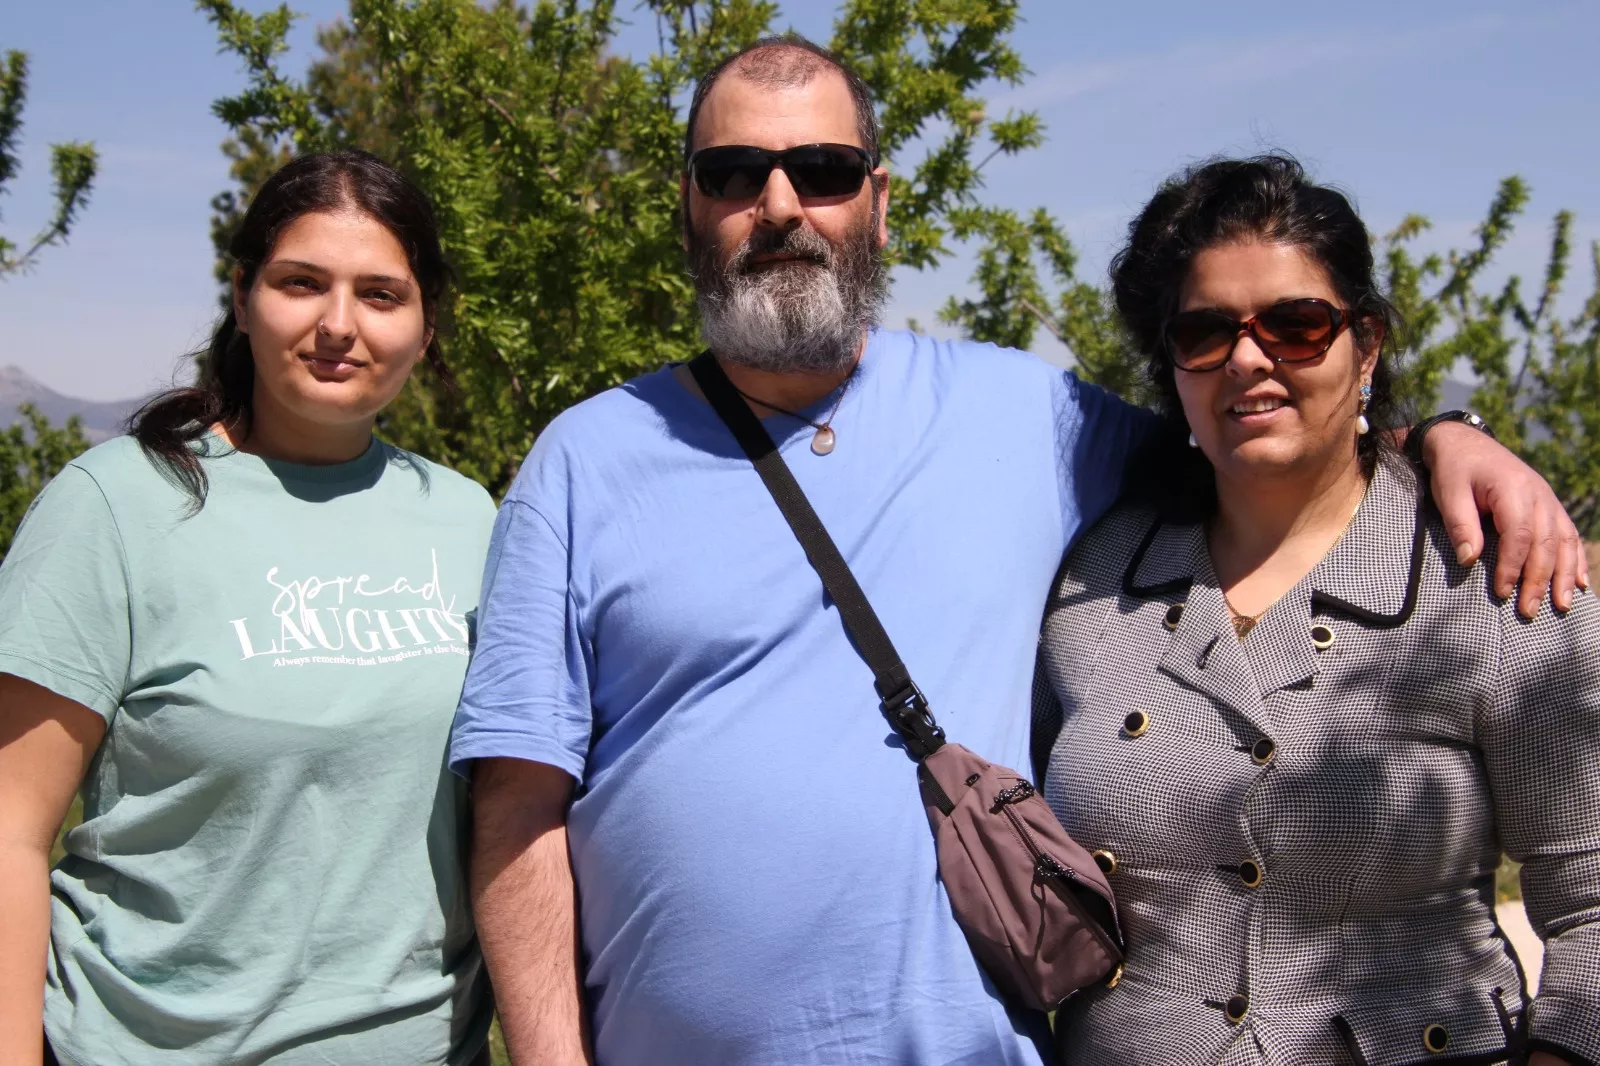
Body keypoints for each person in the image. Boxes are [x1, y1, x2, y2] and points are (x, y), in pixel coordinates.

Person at [448, 36, 1585, 1066]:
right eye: (734, 173)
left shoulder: (1030, 419)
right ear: (689, 205)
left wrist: (1440, 440)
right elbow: (515, 804)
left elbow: (1266, 437)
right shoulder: (584, 461)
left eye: (825, 172)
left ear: (879, 204)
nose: (780, 204)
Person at [1036, 155, 1598, 1066]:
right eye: (1206, 333)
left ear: (1366, 344)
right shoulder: (1088, 585)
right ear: (1171, 365)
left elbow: (1595, 905)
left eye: (1297, 325)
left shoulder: (1487, 573)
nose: (1249, 359)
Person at [0, 151, 495, 1065]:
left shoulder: (470, 520)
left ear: (426, 328)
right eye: (302, 283)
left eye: (382, 295)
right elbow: (9, 831)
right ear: (242, 294)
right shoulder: (114, 506)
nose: (338, 325)